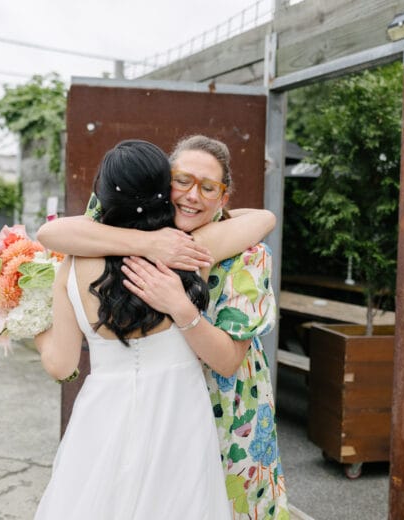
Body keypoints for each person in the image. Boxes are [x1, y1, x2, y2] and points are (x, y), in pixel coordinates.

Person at [37, 135, 289, 519]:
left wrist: (181, 308)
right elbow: (50, 233)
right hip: (178, 408)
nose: (192, 195)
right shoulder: (187, 247)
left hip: (225, 409)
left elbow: (265, 218)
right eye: (182, 181)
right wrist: (149, 244)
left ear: (224, 197)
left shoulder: (225, 248)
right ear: (160, 182)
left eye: (208, 188)